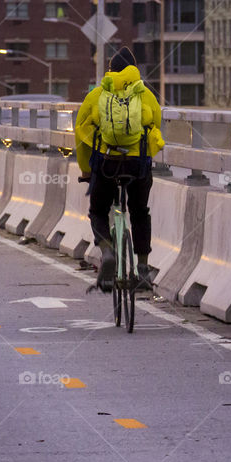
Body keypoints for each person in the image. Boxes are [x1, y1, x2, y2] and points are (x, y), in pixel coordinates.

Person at [75, 47, 164, 291]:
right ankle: (143, 269)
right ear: (134, 68)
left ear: (111, 69)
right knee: (139, 212)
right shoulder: (145, 93)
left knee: (98, 210)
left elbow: (81, 134)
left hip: (106, 163)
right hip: (137, 165)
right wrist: (145, 158)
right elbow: (156, 129)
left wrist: (86, 170)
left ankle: (107, 253)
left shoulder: (97, 94)